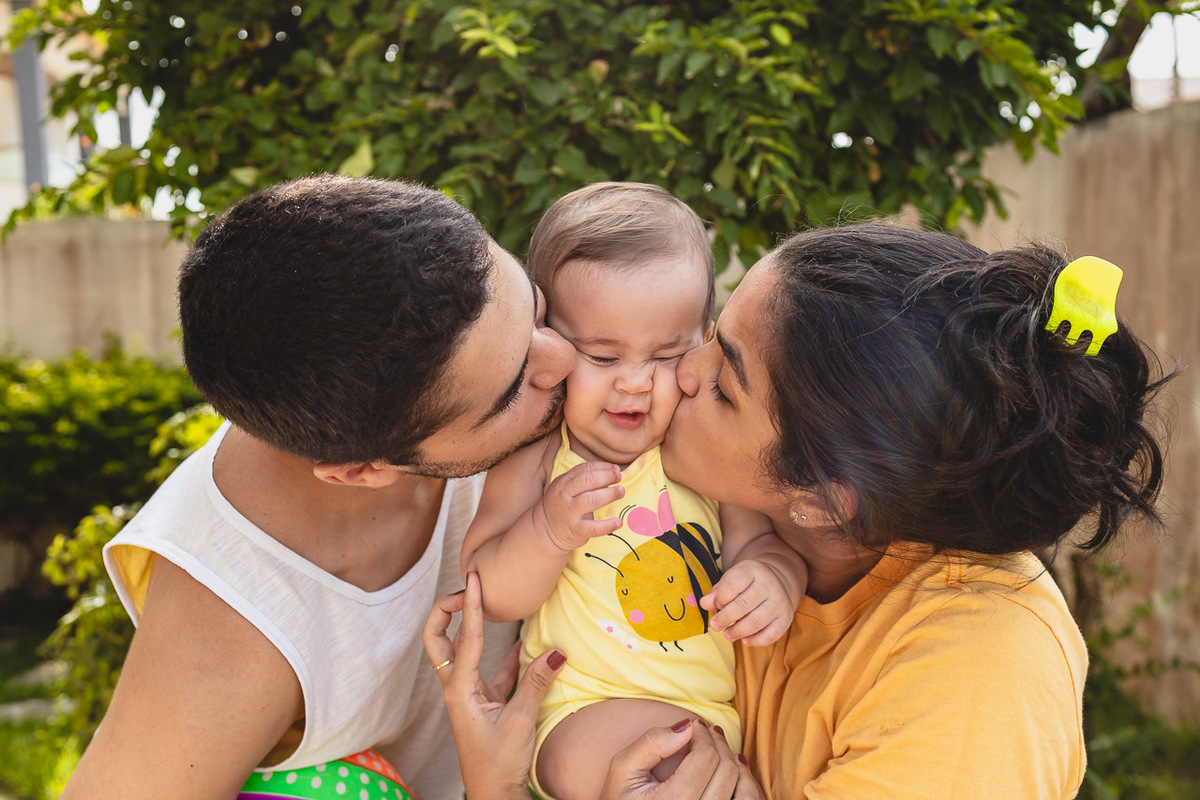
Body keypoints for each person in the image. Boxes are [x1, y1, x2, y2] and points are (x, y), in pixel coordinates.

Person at [431, 223, 1171, 799]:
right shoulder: (746, 525)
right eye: (712, 338)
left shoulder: (978, 672)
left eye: (724, 385)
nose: (679, 375)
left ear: (821, 495)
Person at [61, 174, 579, 800]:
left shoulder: (434, 361)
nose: (566, 360)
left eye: (536, 309)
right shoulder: (233, 629)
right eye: (512, 390)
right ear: (362, 470)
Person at [459, 183, 808, 800]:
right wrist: (547, 531)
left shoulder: (700, 461)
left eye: (668, 354)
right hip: (578, 713)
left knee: (715, 777)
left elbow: (761, 542)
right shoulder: (540, 464)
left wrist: (775, 578)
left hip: (711, 716)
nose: (635, 385)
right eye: (601, 356)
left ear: (702, 341)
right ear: (552, 340)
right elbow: (491, 595)